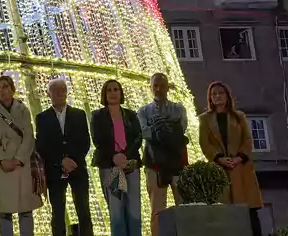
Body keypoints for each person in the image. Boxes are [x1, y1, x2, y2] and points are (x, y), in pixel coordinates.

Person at [198, 82, 262, 236]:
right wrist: (219, 158)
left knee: (249, 211)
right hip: (219, 169)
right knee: (223, 211)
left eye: (221, 93)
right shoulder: (204, 119)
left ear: (227, 96)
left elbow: (247, 140)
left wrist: (239, 158)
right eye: (214, 94)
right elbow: (204, 144)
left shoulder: (239, 116)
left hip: (241, 168)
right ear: (210, 98)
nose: (218, 96)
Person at [0, 75, 41, 236]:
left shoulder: (23, 109)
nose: (2, 90)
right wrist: (2, 160)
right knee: (3, 210)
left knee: (26, 209)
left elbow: (29, 135)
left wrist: (19, 159)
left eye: (5, 86)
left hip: (21, 165)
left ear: (12, 89)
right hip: (0, 167)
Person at [35, 79, 92, 236]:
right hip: (54, 171)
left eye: (62, 89)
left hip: (77, 169)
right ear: (49, 94)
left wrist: (72, 160)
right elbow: (41, 145)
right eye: (55, 90)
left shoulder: (79, 114)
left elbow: (85, 142)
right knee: (58, 214)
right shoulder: (42, 118)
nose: (60, 93)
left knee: (84, 211)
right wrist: (61, 160)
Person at [91, 79, 143, 236]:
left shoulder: (131, 115)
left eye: (116, 89)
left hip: (130, 165)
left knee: (134, 208)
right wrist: (114, 157)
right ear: (104, 94)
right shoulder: (98, 116)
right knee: (116, 209)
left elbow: (138, 137)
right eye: (109, 90)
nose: (113, 93)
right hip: (110, 166)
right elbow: (98, 140)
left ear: (121, 93)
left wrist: (125, 157)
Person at [138, 73, 188, 236]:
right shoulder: (143, 111)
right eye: (155, 86)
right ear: (150, 88)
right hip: (155, 164)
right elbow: (144, 132)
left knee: (183, 207)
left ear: (168, 87)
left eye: (162, 85)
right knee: (157, 210)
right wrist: (168, 128)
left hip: (177, 163)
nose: (159, 89)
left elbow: (181, 130)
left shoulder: (179, 108)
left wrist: (160, 130)